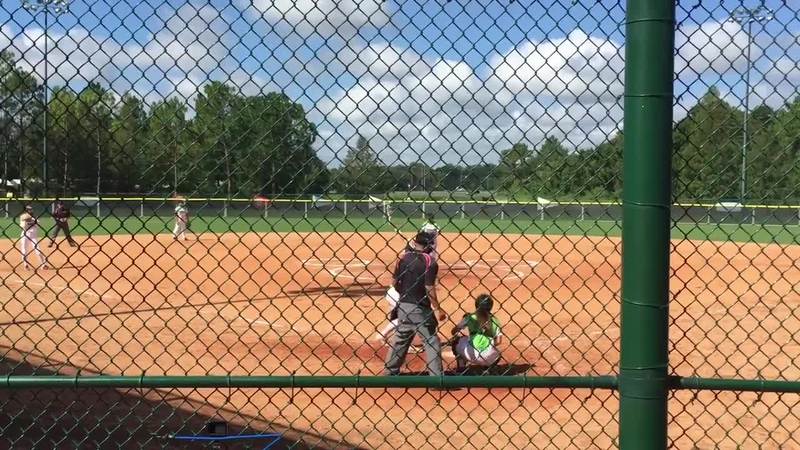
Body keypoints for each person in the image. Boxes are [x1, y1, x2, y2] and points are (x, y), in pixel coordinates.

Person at [384, 231, 446, 377]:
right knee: (431, 340)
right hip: (420, 308)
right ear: (430, 245)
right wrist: (438, 308)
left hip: (404, 306)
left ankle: (389, 372)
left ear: (414, 243)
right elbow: (429, 287)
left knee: (401, 338)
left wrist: (405, 293)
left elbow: (394, 283)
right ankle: (436, 377)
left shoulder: (403, 259)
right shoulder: (430, 262)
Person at [450, 294, 503, 373]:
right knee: (498, 354)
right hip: (489, 357)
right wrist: (488, 342)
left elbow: (453, 331)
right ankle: (487, 368)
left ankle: (461, 367)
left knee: (456, 341)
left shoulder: (470, 317)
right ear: (491, 307)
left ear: (476, 305)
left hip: (470, 354)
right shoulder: (495, 320)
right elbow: (498, 341)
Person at [19, 205, 48, 270]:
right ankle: (25, 265)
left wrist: (33, 220)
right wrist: (26, 221)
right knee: (24, 250)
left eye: (31, 209)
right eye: (29, 210)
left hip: (33, 236)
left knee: (38, 250)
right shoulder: (23, 217)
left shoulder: (34, 218)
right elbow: (23, 226)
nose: (31, 210)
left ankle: (43, 264)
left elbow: (38, 224)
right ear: (26, 211)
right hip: (25, 235)